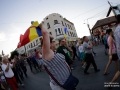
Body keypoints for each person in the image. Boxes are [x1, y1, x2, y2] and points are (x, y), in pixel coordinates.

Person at [40, 23, 74, 90]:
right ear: (48, 44)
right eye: (53, 41)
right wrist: (40, 25)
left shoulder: (55, 52)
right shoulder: (47, 55)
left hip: (68, 81)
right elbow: (45, 33)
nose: (55, 42)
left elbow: (69, 55)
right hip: (60, 86)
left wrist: (67, 47)